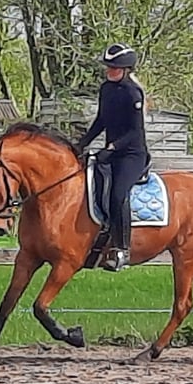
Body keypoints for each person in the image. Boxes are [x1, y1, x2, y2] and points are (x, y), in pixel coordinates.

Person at [77, 42, 150, 272]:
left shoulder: (133, 93)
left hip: (131, 155)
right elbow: (101, 120)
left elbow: (135, 132)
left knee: (118, 194)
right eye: (108, 68)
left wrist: (112, 146)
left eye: (114, 68)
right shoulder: (106, 90)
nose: (110, 72)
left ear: (126, 69)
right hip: (110, 152)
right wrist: (82, 143)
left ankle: (122, 249)